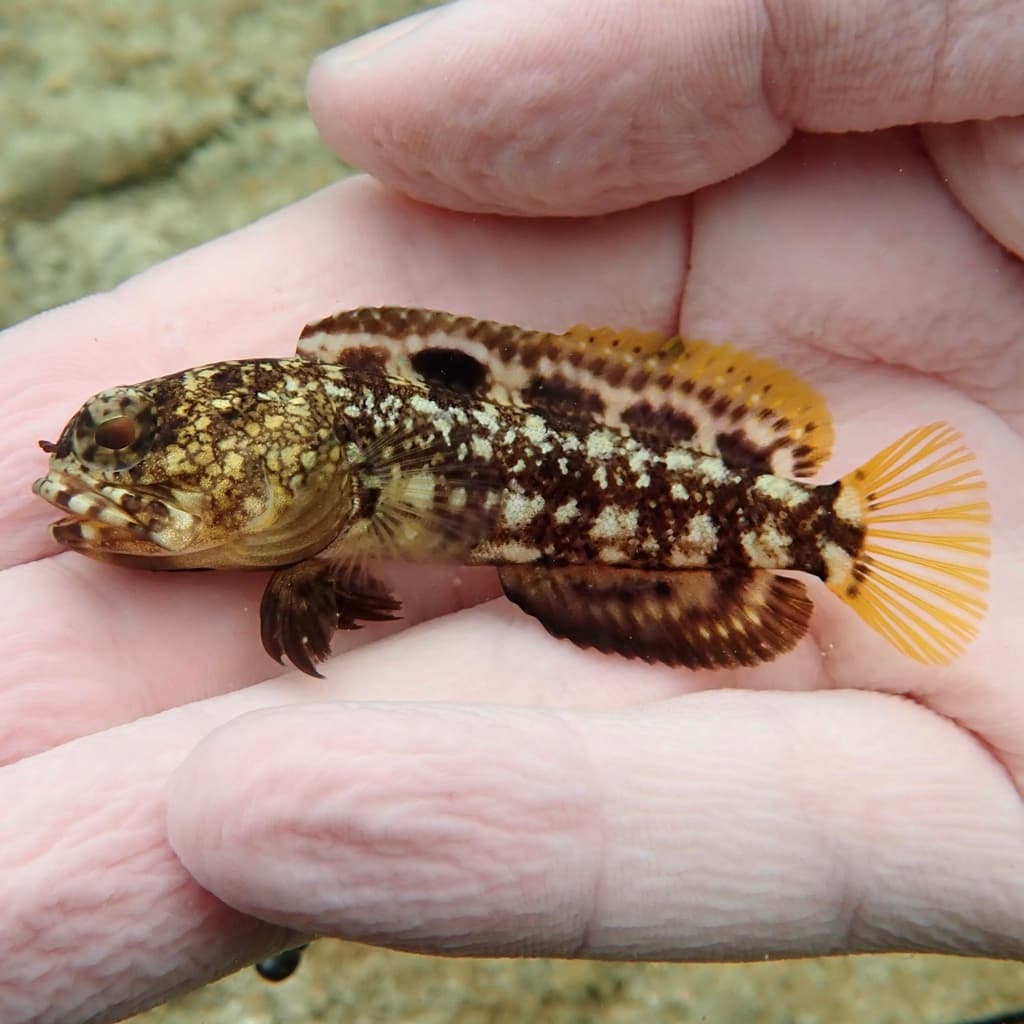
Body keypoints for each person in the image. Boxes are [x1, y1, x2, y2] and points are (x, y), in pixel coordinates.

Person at [2, 1, 1022, 1021]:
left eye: (163, 482)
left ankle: (824, 530)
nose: (126, 504)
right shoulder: (297, 432)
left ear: (294, 469)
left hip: (715, 498)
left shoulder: (330, 426)